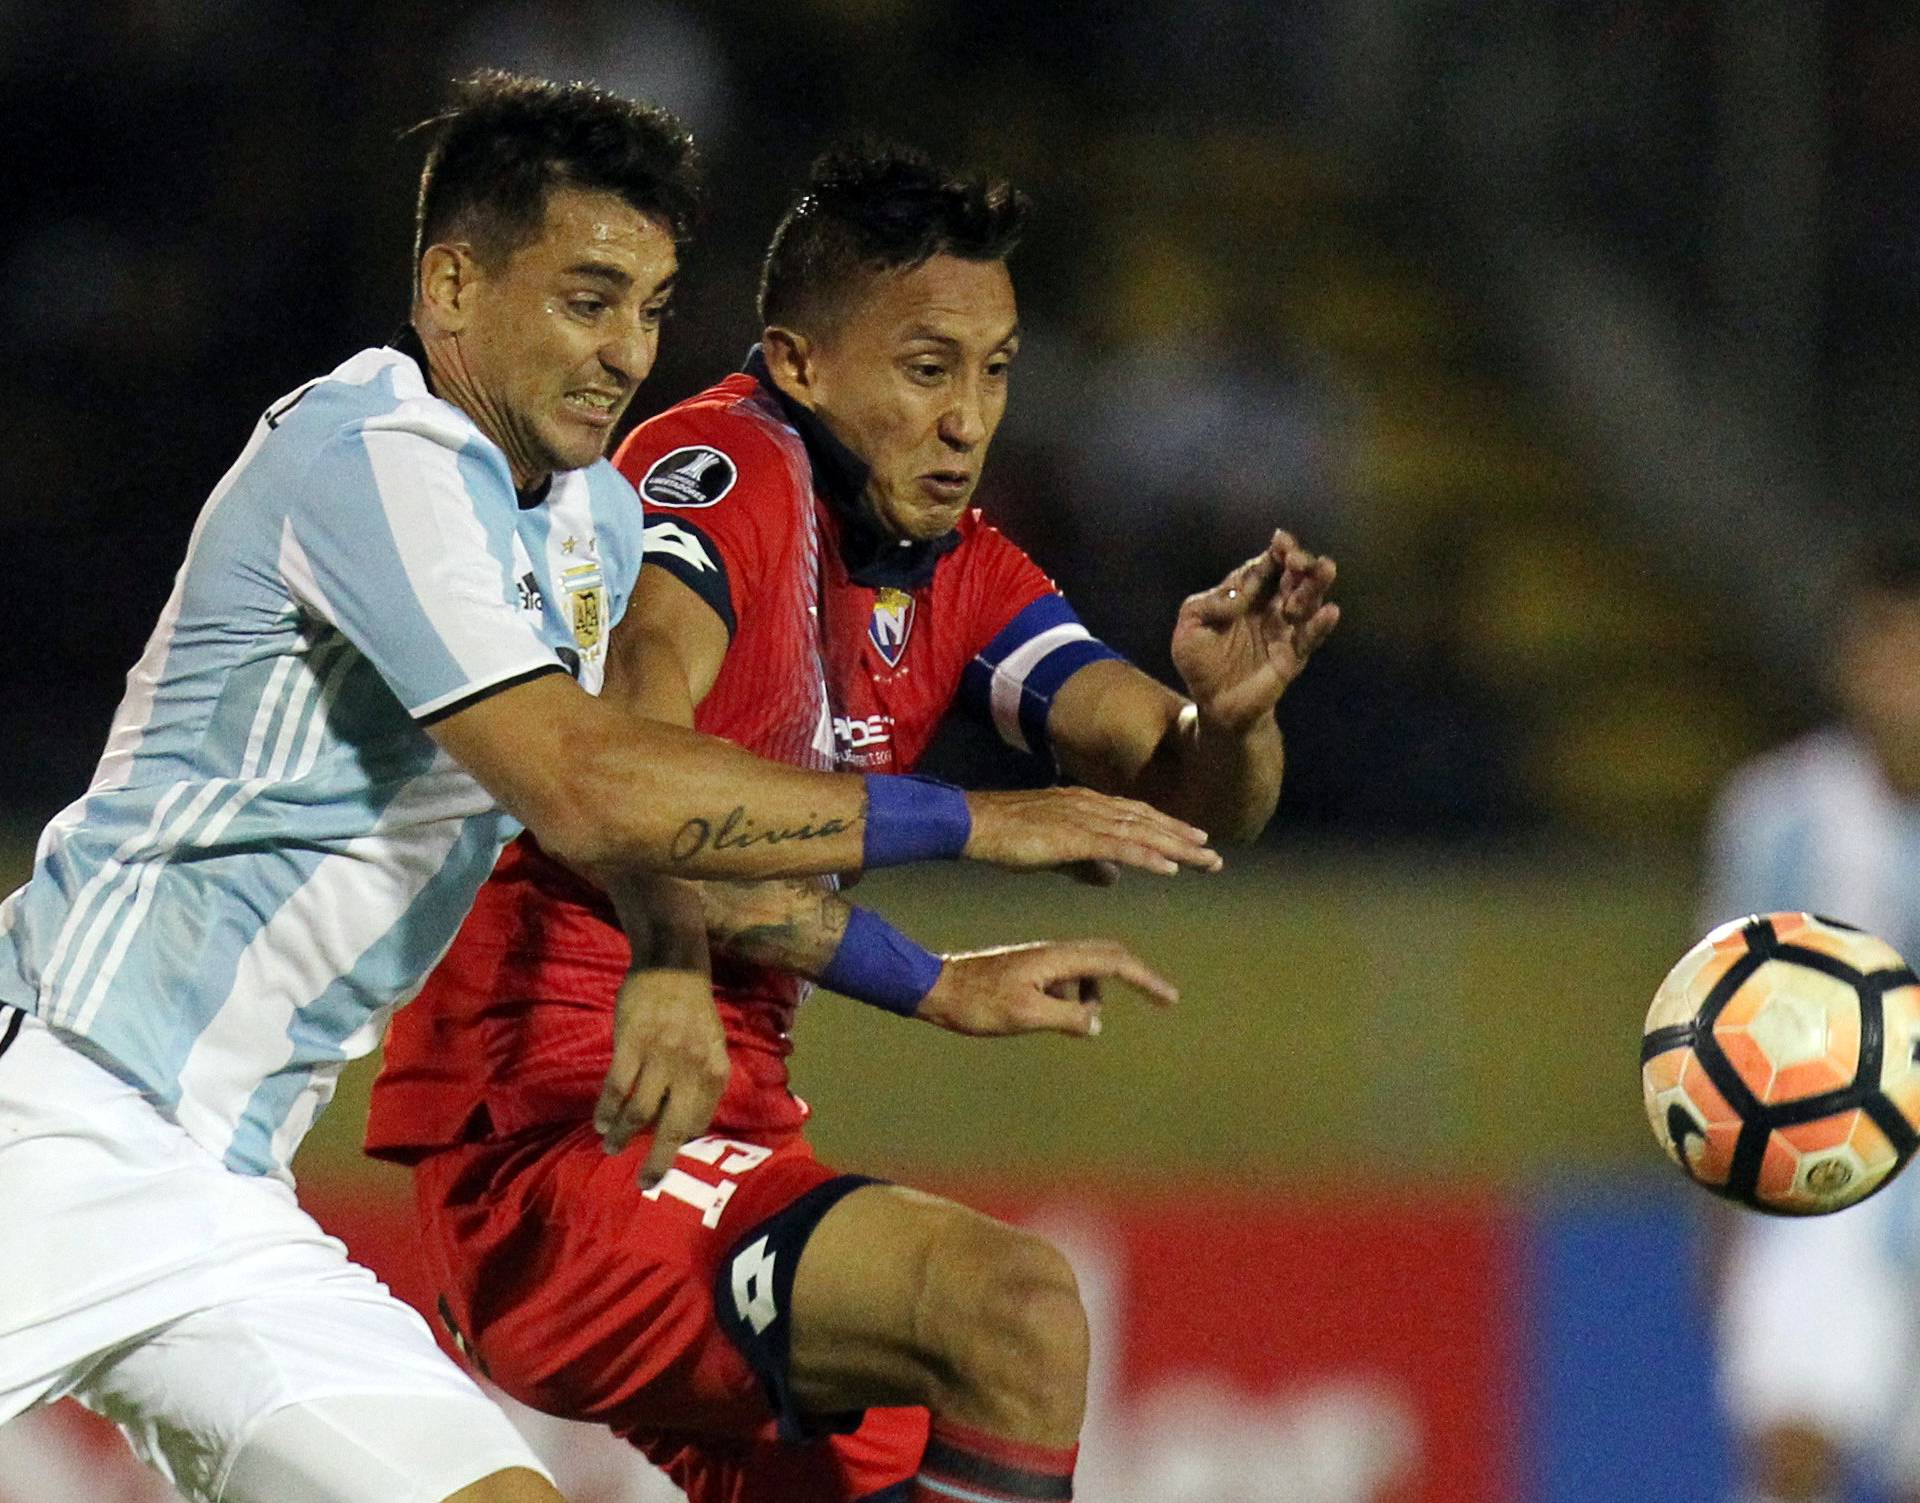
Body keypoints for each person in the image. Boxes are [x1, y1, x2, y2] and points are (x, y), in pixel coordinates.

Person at [0, 79, 1218, 1503]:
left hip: (224, 1196)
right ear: (452, 284)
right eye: (586, 299)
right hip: (58, 1113)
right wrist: (976, 819)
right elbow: (588, 784)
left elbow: (657, 808)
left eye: (647, 307)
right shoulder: (370, 453)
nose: (624, 352)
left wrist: (894, 973)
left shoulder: (583, 515)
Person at [366, 143, 1340, 1503]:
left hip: (730, 1146)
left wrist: (1231, 722)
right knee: (1012, 1309)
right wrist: (664, 960)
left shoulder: (959, 569)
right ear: (802, 360)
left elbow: (1183, 793)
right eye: (928, 369)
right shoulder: (720, 466)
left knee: (895, 1452)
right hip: (564, 1142)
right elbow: (630, 746)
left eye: (996, 372)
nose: (968, 421)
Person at [1706, 538, 1920, 1503]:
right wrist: (1718, 1217)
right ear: (1850, 660)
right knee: (1791, 1463)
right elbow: (1713, 1022)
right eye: (1888, 648)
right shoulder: (1777, 812)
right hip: (1817, 1185)